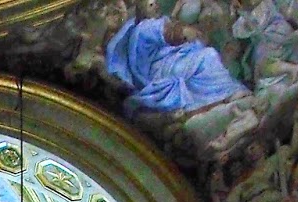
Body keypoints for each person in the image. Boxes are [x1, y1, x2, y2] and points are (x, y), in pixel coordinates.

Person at [105, 0, 249, 116]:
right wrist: (183, 32)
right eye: (150, 4)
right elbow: (166, 33)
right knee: (207, 56)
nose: (156, 5)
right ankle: (228, 91)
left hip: (169, 62)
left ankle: (220, 94)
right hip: (161, 69)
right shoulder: (145, 26)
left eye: (155, 2)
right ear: (143, 11)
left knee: (204, 55)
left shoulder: (160, 21)